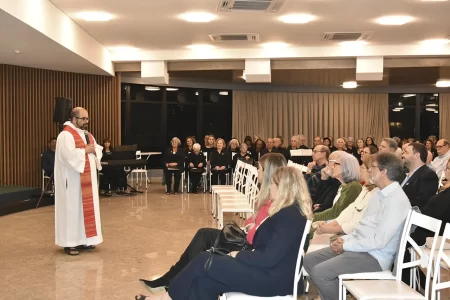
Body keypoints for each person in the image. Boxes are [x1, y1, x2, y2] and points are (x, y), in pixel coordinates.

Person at [136, 165, 313, 300]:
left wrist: (239, 255)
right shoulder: (290, 211)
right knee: (205, 283)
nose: (270, 187)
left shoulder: (289, 216)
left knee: (204, 260)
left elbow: (269, 258)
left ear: (283, 187)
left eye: (273, 184)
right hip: (267, 272)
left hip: (271, 279)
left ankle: (164, 298)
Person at [304, 153, 411, 300]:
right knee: (309, 260)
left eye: (372, 167)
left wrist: (346, 245)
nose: (369, 171)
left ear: (383, 171)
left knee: (320, 273)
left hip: (375, 256)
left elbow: (379, 241)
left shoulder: (395, 200)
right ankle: (335, 294)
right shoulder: (379, 193)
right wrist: (345, 241)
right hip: (360, 248)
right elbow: (363, 227)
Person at [54, 107, 103, 256]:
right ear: (74, 119)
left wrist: (95, 150)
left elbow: (96, 148)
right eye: (84, 119)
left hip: (87, 180)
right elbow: (68, 157)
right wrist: (85, 151)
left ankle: (84, 240)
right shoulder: (65, 135)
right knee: (72, 211)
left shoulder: (87, 134)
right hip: (73, 182)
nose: (86, 121)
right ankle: (70, 244)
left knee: (85, 211)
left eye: (87, 119)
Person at [314, 155, 377, 235]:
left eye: (335, 164)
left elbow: (338, 212)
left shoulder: (354, 187)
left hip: (346, 231)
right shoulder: (361, 188)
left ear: (346, 167)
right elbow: (347, 211)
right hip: (339, 226)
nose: (332, 167)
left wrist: (315, 218)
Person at [401, 143, 439, 209]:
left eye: (406, 153)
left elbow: (421, 204)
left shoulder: (428, 176)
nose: (403, 155)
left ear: (416, 155)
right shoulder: (403, 173)